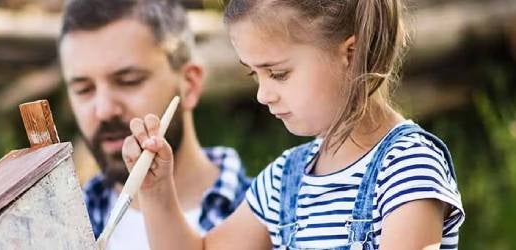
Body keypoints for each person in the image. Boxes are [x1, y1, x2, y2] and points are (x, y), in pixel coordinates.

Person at [121, 0, 465, 249]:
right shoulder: (284, 180)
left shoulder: (407, 167)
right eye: (253, 74)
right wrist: (157, 192)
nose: (262, 94)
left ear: (350, 53)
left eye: (278, 73)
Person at [57, 0, 250, 249]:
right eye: (83, 89)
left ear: (189, 84)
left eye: (129, 80)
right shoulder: (57, 228)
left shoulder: (278, 215)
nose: (104, 110)